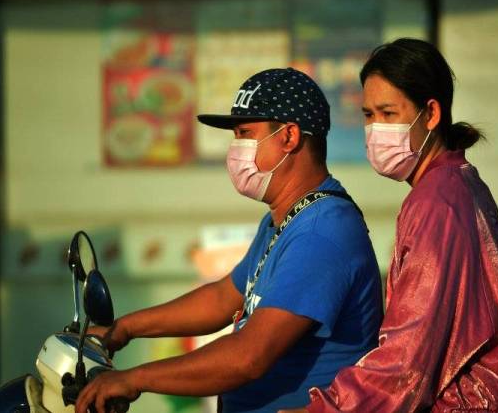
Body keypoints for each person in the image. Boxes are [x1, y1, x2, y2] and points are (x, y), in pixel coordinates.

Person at [75, 67, 383, 413]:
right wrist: (125, 329)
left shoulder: (321, 232)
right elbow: (224, 297)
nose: (236, 149)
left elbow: (249, 356)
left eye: (246, 133)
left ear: (289, 136)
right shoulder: (285, 218)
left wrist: (135, 379)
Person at [281, 38, 498, 413]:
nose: (376, 129)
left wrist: (328, 409)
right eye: (368, 115)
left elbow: (406, 359)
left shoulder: (437, 203)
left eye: (389, 113)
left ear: (430, 113)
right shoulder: (457, 183)